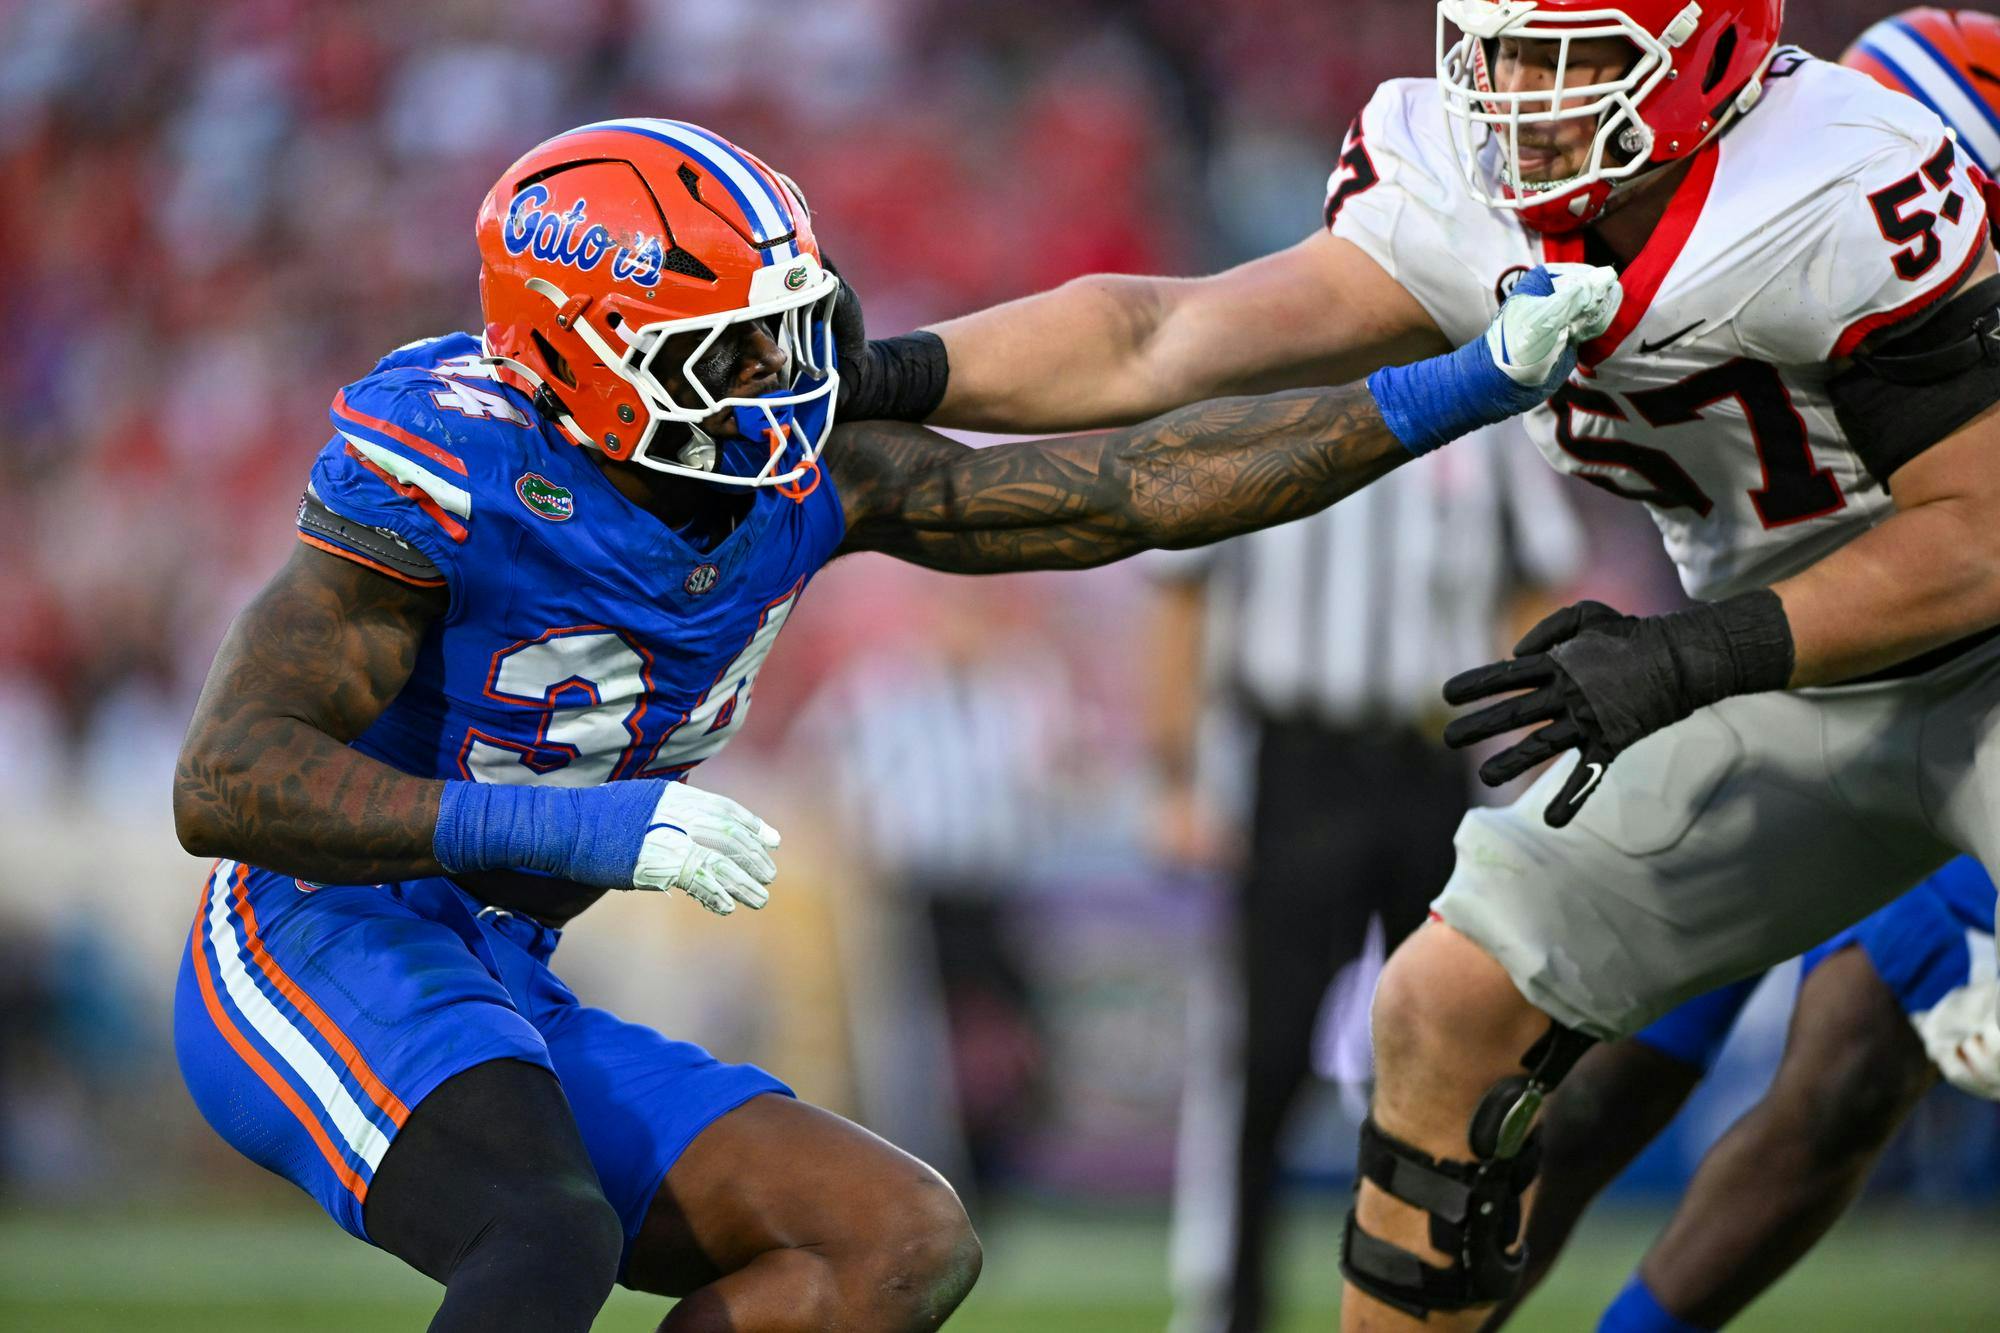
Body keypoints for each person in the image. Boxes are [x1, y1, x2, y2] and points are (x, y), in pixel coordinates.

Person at [169, 117, 1615, 1333]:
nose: (779, 374)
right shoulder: (453, 460)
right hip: (319, 936)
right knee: (544, 1234)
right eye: (728, 348)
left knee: (892, 1242)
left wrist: (1457, 387)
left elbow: (1134, 488)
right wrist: (570, 827)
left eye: (781, 328)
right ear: (586, 356)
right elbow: (225, 779)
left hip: (504, 969)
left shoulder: (806, 473)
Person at [831, 1, 2000, 1325]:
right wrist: (889, 372)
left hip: (1962, 659)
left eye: (1574, 59)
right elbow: (1159, 336)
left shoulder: (1840, 174)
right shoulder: (1455, 183)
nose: (1520, 96)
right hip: (1775, 670)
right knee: (1442, 1007)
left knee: (1844, 1075)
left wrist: (1690, 654)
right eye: (1504, 49)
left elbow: (1979, 537)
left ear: (1710, 53)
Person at [1480, 15, 2000, 1331]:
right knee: (1598, 1072)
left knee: (1845, 1067)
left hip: (1970, 681)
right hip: (1795, 647)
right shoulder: (1873, 132)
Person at [1147, 419, 1584, 1333]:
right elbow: (1183, 586)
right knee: (1264, 1052)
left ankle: (1442, 1290)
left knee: (1457, 1042)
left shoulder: (1487, 422)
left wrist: (1532, 749)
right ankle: (1229, 1303)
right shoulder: (1264, 408)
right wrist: (1176, 776)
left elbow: (1538, 578)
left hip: (1432, 761)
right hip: (1298, 761)